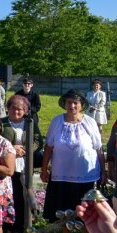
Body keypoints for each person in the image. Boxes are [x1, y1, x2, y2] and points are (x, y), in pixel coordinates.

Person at [41, 90, 103, 219]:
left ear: (82, 105)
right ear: (65, 104)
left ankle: (85, 231)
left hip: (85, 175)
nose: (72, 106)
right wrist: (44, 169)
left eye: (75, 103)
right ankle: (62, 231)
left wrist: (103, 171)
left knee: (85, 211)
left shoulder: (90, 122)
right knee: (62, 210)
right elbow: (49, 147)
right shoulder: (57, 121)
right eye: (69, 102)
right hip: (61, 175)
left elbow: (98, 148)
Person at [0, 95, 42, 233]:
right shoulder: (1, 123)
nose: (16, 111)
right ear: (8, 108)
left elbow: (38, 141)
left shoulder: (30, 123)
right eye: (13, 108)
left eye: (20, 109)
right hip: (7, 164)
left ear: (25, 111)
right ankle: (6, 226)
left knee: (22, 196)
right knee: (8, 195)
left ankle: (20, 226)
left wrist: (25, 150)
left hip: (24, 165)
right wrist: (12, 149)